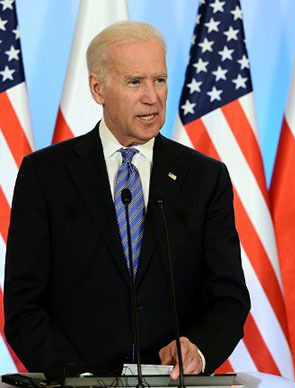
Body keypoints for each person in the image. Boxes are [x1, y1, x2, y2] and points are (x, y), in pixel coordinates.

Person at [4, 22, 250, 381]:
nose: (152, 96)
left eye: (160, 80)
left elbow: (228, 296)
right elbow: (23, 305)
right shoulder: (46, 175)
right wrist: (78, 378)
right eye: (135, 82)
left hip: (171, 382)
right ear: (97, 88)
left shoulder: (204, 178)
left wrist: (197, 347)